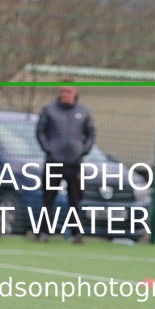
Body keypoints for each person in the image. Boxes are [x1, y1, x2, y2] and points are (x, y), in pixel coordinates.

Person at [35, 83, 95, 243]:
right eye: (62, 91)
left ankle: (77, 234)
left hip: (74, 164)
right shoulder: (49, 110)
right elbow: (40, 131)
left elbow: (91, 134)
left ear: (75, 92)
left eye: (68, 91)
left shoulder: (83, 112)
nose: (65, 94)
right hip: (53, 162)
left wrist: (83, 150)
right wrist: (49, 149)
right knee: (48, 199)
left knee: (75, 200)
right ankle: (43, 233)